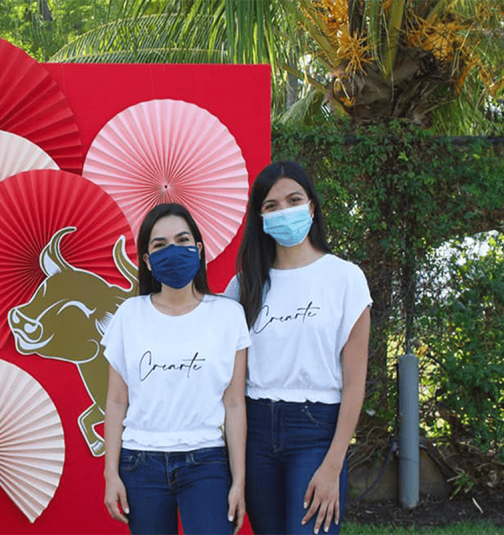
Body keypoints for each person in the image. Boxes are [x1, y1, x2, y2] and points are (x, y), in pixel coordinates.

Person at [224, 161, 371, 535]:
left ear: (312, 206)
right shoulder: (243, 287)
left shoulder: (345, 278)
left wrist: (333, 464)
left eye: (293, 200)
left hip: (316, 432)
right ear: (259, 217)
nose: (283, 210)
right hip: (256, 433)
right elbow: (230, 383)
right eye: (271, 205)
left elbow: (354, 383)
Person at [102, 203, 249, 535]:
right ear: (147, 260)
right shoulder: (129, 315)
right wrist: (111, 473)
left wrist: (239, 480)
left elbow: (234, 403)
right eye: (159, 245)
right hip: (140, 463)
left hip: (207, 462)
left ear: (198, 249)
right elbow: (115, 401)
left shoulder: (228, 315)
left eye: (182, 240)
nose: (173, 251)